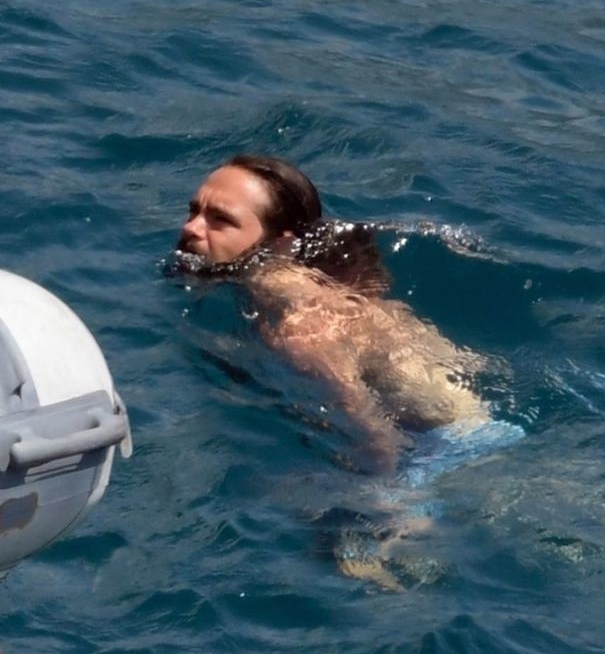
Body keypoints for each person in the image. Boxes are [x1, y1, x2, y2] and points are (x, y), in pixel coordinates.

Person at [172, 154, 500, 474]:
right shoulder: (311, 289)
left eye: (221, 219)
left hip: (457, 449)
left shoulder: (302, 322)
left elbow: (375, 442)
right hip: (455, 434)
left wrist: (376, 503)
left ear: (282, 243)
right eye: (193, 211)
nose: (191, 228)